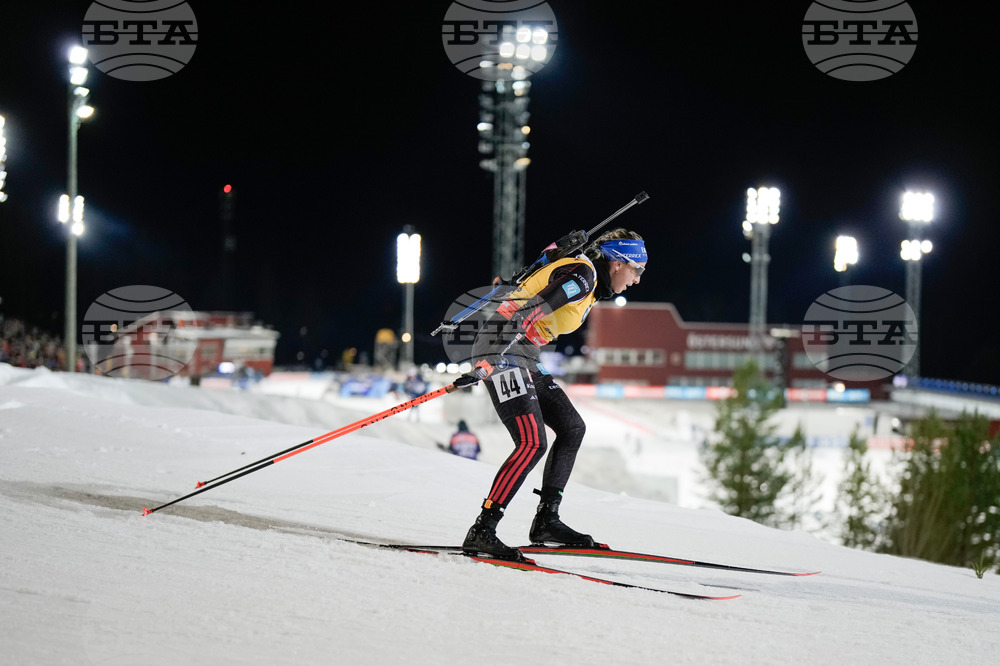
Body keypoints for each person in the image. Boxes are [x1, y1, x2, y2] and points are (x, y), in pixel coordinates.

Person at [453, 228, 647, 561]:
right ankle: (483, 530)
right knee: (531, 442)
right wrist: (493, 357)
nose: (637, 280)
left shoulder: (586, 277)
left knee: (572, 427)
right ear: (617, 263)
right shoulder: (584, 275)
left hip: (522, 352)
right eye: (637, 270)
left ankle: (546, 520)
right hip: (504, 346)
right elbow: (529, 311)